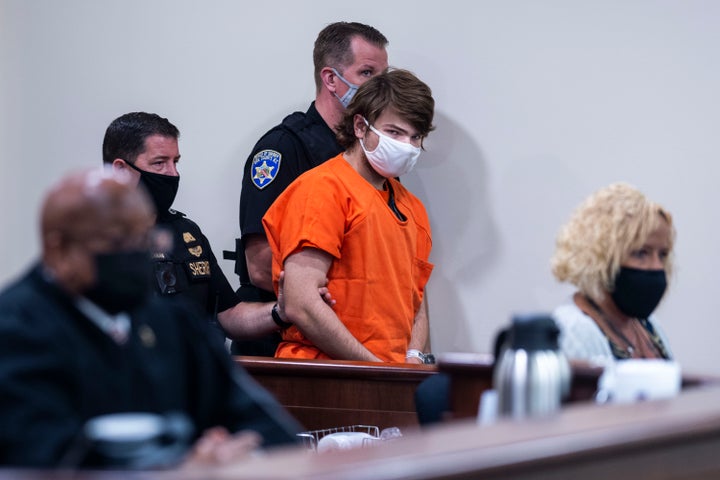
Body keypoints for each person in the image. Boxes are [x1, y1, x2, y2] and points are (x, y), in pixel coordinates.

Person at [0, 169, 303, 468]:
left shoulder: (172, 321)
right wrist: (178, 467)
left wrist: (244, 454)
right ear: (59, 250)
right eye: (117, 243)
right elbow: (37, 456)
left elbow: (266, 425)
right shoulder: (16, 330)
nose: (135, 255)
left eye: (145, 239)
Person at [230, 21, 389, 356]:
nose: (381, 88)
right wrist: (355, 289)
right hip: (283, 345)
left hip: (353, 336)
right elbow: (260, 266)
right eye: (368, 74)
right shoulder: (283, 149)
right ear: (331, 79)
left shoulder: (373, 155)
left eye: (384, 75)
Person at [103, 112, 331, 344]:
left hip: (195, 372)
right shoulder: (91, 239)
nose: (173, 174)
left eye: (176, 162)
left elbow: (230, 315)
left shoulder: (186, 233)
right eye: (160, 163)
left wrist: (282, 311)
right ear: (121, 170)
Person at [263, 69, 435, 363]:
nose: (406, 146)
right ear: (360, 126)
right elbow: (301, 302)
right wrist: (375, 369)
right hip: (326, 376)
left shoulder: (412, 207)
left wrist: (415, 358)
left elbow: (415, 299)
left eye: (415, 136)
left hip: (391, 379)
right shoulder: (322, 189)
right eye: (394, 132)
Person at [551, 182, 675, 364]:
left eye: (662, 255)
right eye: (641, 253)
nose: (657, 266)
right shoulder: (574, 332)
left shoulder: (650, 326)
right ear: (601, 255)